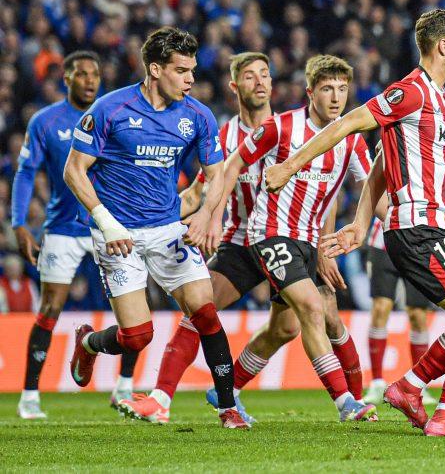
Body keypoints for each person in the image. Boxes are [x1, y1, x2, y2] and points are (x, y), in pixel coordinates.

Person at [266, 9, 445, 438]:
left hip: (430, 228)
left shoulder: (439, 98)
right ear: (443, 45)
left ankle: (409, 388)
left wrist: (360, 222)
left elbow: (380, 163)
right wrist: (289, 165)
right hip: (418, 230)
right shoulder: (411, 92)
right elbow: (349, 123)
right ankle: (444, 415)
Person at [119, 52, 367, 425]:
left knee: (292, 326)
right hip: (240, 241)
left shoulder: (293, 128)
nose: (260, 82)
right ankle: (161, 398)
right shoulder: (225, 137)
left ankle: (232, 390)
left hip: (292, 240)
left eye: (265, 75)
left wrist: (323, 244)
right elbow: (201, 190)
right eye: (250, 77)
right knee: (200, 310)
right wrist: (172, 220)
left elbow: (324, 192)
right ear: (235, 86)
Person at [63, 27, 248, 429]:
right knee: (137, 336)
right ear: (155, 69)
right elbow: (74, 170)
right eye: (181, 71)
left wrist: (207, 214)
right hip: (118, 234)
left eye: (192, 70)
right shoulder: (110, 109)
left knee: (205, 312)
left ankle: (228, 408)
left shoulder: (197, 116)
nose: (190, 79)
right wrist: (106, 223)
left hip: (167, 228)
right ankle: (89, 343)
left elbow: (216, 174)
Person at [217, 54, 376, 422]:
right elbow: (234, 163)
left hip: (308, 241)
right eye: (327, 89)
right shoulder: (280, 127)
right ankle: (346, 403)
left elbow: (372, 191)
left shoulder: (352, 140)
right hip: (270, 233)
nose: (336, 97)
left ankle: (228, 389)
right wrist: (212, 216)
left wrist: (397, 218)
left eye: (342, 89)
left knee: (290, 325)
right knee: (312, 308)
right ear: (310, 93)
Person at [11, 51, 138, 420]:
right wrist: (19, 222)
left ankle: (125, 386)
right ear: (66, 78)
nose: (90, 80)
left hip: (109, 225)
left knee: (134, 305)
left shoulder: (113, 115)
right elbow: (25, 172)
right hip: (64, 228)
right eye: (81, 74)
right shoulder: (45, 121)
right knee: (50, 308)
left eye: (95, 74)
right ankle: (30, 396)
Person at [362, 216, 437, 405]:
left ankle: (419, 386)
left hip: (418, 246)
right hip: (383, 244)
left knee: (418, 314)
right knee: (380, 308)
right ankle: (377, 383)